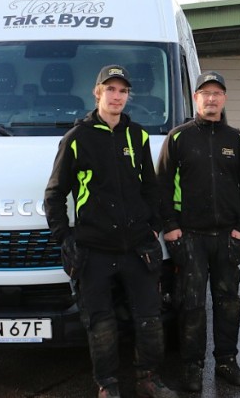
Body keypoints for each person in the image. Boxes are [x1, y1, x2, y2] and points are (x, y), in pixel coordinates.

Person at [43, 64, 176, 398]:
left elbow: (153, 188)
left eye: (123, 91)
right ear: (97, 92)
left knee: (149, 320)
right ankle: (108, 385)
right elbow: (55, 195)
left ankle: (148, 379)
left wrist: (152, 231)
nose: (117, 96)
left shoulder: (138, 135)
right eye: (111, 89)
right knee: (101, 325)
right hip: (94, 250)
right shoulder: (76, 139)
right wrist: (65, 238)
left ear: (128, 96)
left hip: (136, 248)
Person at [158, 71, 240, 392]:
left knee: (228, 303)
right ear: (195, 98)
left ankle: (227, 361)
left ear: (224, 98)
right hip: (191, 239)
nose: (211, 99)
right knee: (192, 305)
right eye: (205, 93)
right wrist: (171, 229)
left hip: (228, 238)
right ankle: (192, 365)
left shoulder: (238, 140)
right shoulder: (178, 138)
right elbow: (161, 187)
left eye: (217, 93)